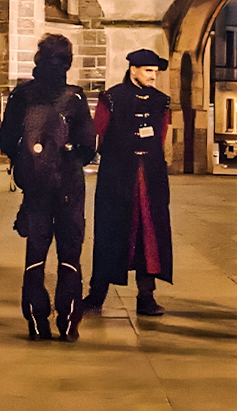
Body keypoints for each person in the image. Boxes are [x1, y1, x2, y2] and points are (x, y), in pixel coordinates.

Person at [0, 33, 97, 342]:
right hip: (69, 185)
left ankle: (37, 320)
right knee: (70, 254)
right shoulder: (75, 97)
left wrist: (27, 164)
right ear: (68, 62)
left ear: (38, 59)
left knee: (36, 254)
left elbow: (6, 140)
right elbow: (89, 146)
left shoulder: (22, 95)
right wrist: (67, 161)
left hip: (36, 186)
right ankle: (68, 322)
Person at [83, 48, 174, 318]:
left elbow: (161, 138)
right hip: (118, 177)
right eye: (148, 71)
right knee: (111, 232)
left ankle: (146, 296)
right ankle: (97, 294)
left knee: (150, 235)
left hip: (150, 178)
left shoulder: (161, 102)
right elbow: (98, 134)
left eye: (155, 72)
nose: (153, 76)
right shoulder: (111, 98)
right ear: (133, 70)